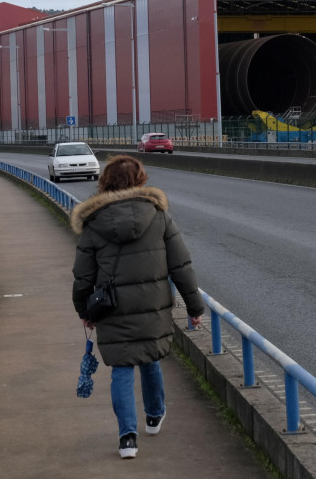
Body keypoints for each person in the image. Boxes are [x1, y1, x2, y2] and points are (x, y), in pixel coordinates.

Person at [70, 155, 205, 460]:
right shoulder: (158, 216)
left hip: (113, 308)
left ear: (105, 182)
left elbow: (83, 276)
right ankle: (154, 416)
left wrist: (84, 311)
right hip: (152, 306)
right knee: (150, 359)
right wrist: (195, 308)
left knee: (121, 369)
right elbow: (181, 266)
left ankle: (127, 438)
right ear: (141, 179)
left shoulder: (93, 224)